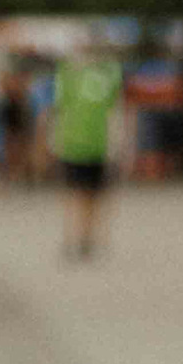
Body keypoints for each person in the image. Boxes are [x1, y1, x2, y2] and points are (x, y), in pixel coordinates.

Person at [47, 39, 126, 257]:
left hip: (98, 142)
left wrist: (117, 141)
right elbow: (58, 109)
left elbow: (116, 109)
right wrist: (54, 140)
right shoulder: (66, 74)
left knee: (95, 194)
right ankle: (73, 236)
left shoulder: (110, 73)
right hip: (73, 142)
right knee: (74, 192)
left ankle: (89, 237)